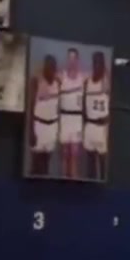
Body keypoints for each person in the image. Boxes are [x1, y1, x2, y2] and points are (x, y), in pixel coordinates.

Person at [27, 54, 59, 177]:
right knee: (36, 163)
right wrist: (31, 131)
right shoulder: (36, 81)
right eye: (49, 67)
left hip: (52, 127)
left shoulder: (58, 82)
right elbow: (31, 107)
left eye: (53, 67)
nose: (51, 70)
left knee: (46, 163)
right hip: (39, 126)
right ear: (44, 67)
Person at [57, 47, 84, 179]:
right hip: (64, 117)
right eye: (69, 58)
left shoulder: (83, 77)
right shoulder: (61, 76)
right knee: (64, 153)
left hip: (77, 119)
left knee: (74, 154)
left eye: (74, 58)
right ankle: (62, 179)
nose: (71, 61)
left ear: (77, 60)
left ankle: (73, 180)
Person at [82, 51, 109, 182]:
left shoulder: (106, 82)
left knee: (103, 163)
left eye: (100, 62)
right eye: (95, 62)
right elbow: (83, 105)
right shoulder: (87, 82)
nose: (97, 65)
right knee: (90, 163)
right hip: (89, 126)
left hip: (101, 127)